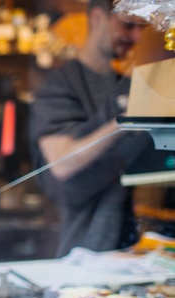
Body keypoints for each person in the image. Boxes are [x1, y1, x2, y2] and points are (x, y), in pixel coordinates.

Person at [30, 0, 160, 257]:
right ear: (98, 17)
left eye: (141, 29)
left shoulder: (129, 86)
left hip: (125, 246)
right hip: (72, 249)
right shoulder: (58, 85)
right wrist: (125, 121)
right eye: (128, 26)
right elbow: (62, 163)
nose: (136, 37)